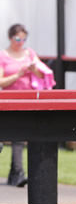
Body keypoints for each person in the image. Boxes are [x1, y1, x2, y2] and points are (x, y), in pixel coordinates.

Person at [0, 24, 45, 187]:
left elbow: (43, 75)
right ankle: (18, 174)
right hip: (10, 99)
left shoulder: (30, 53)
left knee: (21, 137)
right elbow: (1, 81)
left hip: (30, 99)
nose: (21, 42)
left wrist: (33, 70)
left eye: (24, 39)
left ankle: (16, 174)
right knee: (17, 137)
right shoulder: (3, 56)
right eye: (18, 39)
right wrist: (18, 75)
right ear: (10, 38)